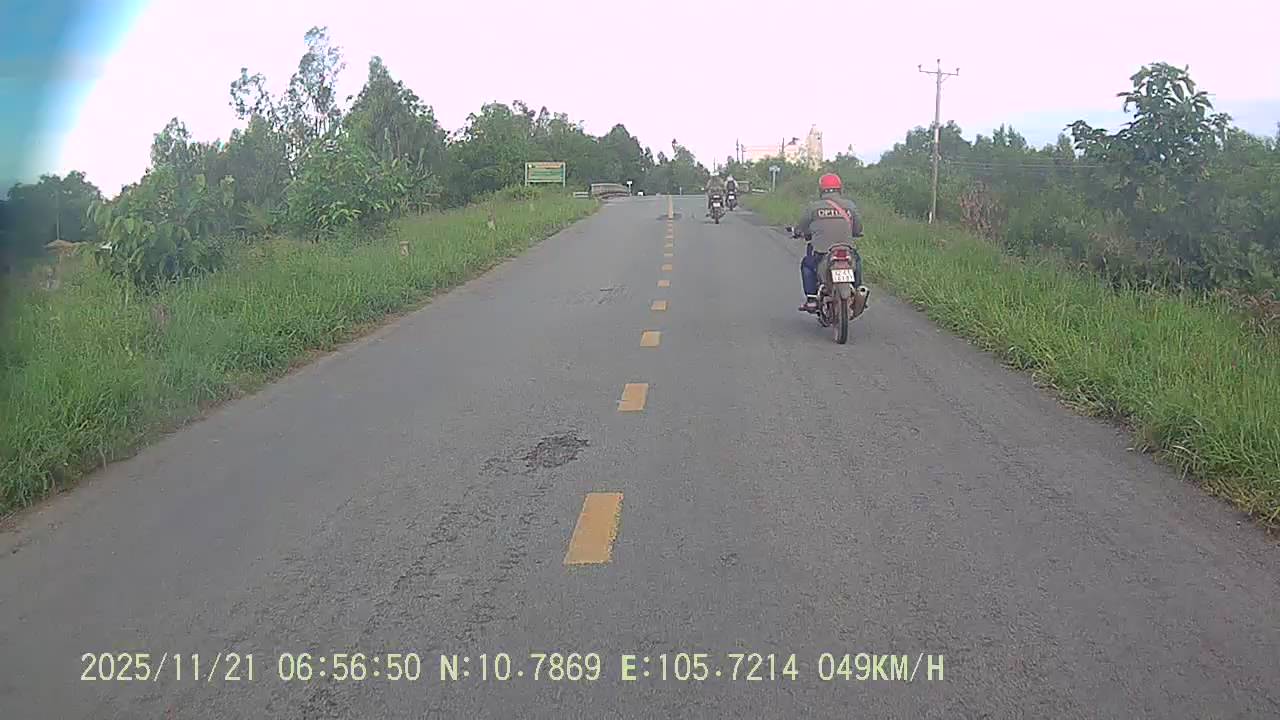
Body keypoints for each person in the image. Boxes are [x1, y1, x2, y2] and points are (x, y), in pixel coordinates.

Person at [793, 173, 864, 312]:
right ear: (840, 189)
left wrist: (797, 232)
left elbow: (802, 226)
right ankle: (857, 289)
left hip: (823, 252)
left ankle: (811, 299)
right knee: (857, 261)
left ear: (821, 189)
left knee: (807, 265)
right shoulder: (850, 206)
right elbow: (858, 228)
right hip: (846, 250)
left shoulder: (813, 207)